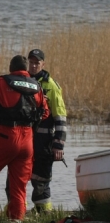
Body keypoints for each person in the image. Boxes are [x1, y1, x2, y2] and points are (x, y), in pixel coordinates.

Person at [0, 55, 49, 221]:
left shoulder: (1, 83)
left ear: (11, 69)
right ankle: (16, 222)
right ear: (26, 69)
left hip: (7, 136)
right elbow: (45, 112)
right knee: (19, 187)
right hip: (28, 141)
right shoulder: (37, 87)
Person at [27, 48, 67, 212]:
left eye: (37, 63)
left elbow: (60, 116)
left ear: (43, 64)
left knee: (41, 179)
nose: (34, 65)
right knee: (19, 176)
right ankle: (17, 212)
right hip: (24, 139)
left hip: (44, 141)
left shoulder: (51, 85)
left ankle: (44, 215)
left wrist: (58, 144)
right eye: (31, 62)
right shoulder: (22, 80)